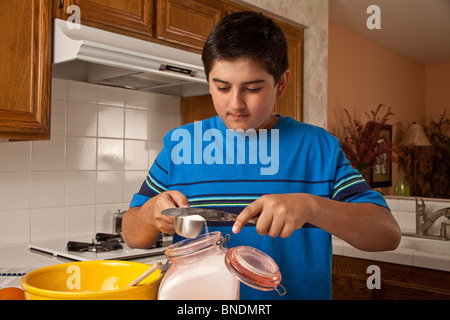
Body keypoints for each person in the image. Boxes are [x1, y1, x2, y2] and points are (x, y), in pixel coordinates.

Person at [122, 11, 401, 300]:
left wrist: (312, 207)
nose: (235, 103)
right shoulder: (181, 145)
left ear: (281, 83)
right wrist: (150, 213)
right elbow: (132, 234)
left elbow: (387, 233)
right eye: (222, 87)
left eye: (252, 88)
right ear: (208, 81)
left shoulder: (318, 147)